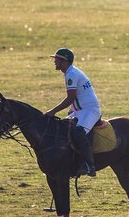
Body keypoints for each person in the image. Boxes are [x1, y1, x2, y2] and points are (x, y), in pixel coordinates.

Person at [45, 47, 101, 177]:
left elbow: (70, 98)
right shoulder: (70, 72)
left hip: (89, 110)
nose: (54, 62)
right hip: (80, 111)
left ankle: (89, 165)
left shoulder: (72, 74)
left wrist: (53, 111)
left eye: (57, 59)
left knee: (78, 132)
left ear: (64, 61)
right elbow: (76, 97)